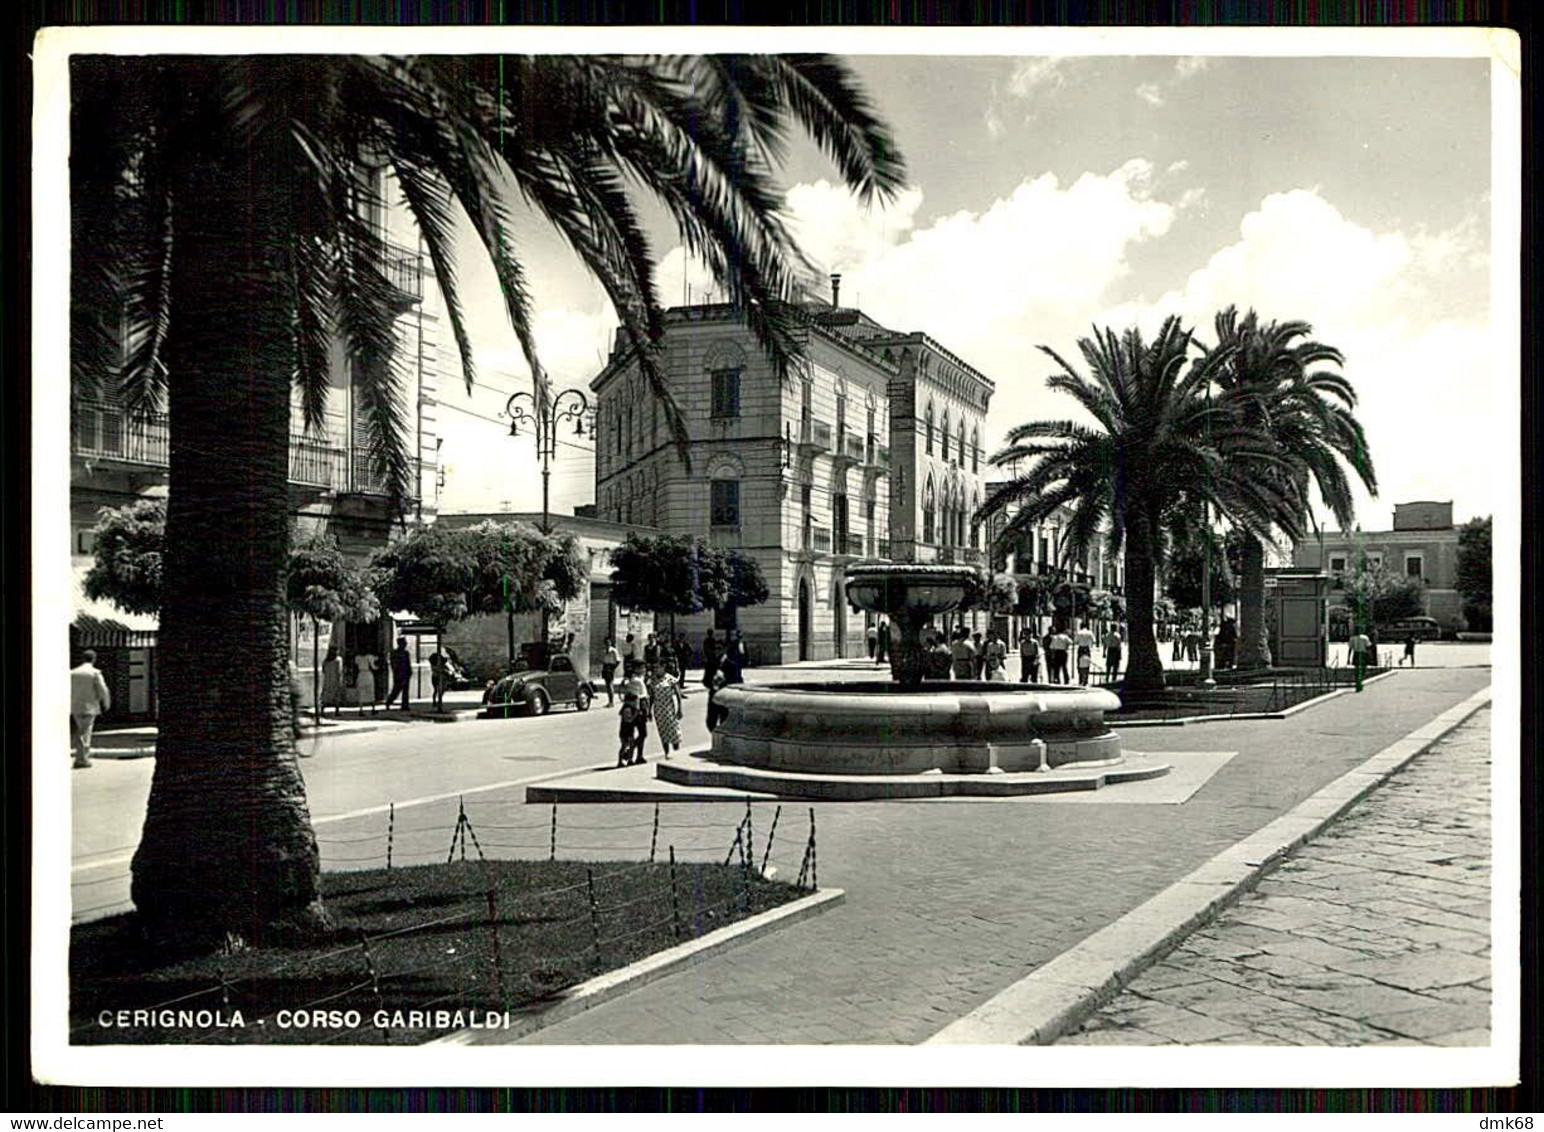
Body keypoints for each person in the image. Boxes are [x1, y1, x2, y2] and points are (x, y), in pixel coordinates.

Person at [70, 649, 112, 768]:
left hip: (75, 706)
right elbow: (103, 690)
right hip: (90, 707)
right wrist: (106, 703)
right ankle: (82, 759)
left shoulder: (73, 673)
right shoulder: (94, 673)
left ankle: (80, 757)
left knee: (80, 731)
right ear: (94, 659)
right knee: (86, 732)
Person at [647, 663, 684, 758]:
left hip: (669, 707)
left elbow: (678, 694)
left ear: (663, 667)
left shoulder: (670, 679)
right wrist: (649, 711)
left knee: (673, 730)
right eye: (654, 668)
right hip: (658, 709)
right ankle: (667, 753)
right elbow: (651, 696)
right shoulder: (653, 680)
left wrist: (679, 709)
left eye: (658, 667)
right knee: (663, 731)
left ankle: (677, 752)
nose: (656, 669)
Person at [387, 636, 412, 711]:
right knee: (396, 689)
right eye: (404, 643)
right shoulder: (395, 653)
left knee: (405, 690)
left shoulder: (406, 653)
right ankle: (389, 702)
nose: (405, 645)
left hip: (405, 673)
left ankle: (405, 705)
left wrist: (409, 672)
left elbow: (408, 663)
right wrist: (396, 671)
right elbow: (393, 664)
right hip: (399, 674)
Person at [600, 638, 622, 706]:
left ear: (610, 643)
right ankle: (609, 701)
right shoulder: (604, 651)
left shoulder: (613, 651)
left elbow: (618, 661)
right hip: (605, 667)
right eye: (606, 643)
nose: (607, 644)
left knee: (610, 684)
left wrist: (613, 668)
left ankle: (611, 701)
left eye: (608, 642)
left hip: (610, 667)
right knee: (607, 685)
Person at [428, 648, 449, 712]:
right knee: (437, 690)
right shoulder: (435, 665)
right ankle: (436, 701)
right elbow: (437, 670)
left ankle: (437, 701)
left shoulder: (439, 664)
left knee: (438, 690)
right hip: (437, 677)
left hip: (436, 677)